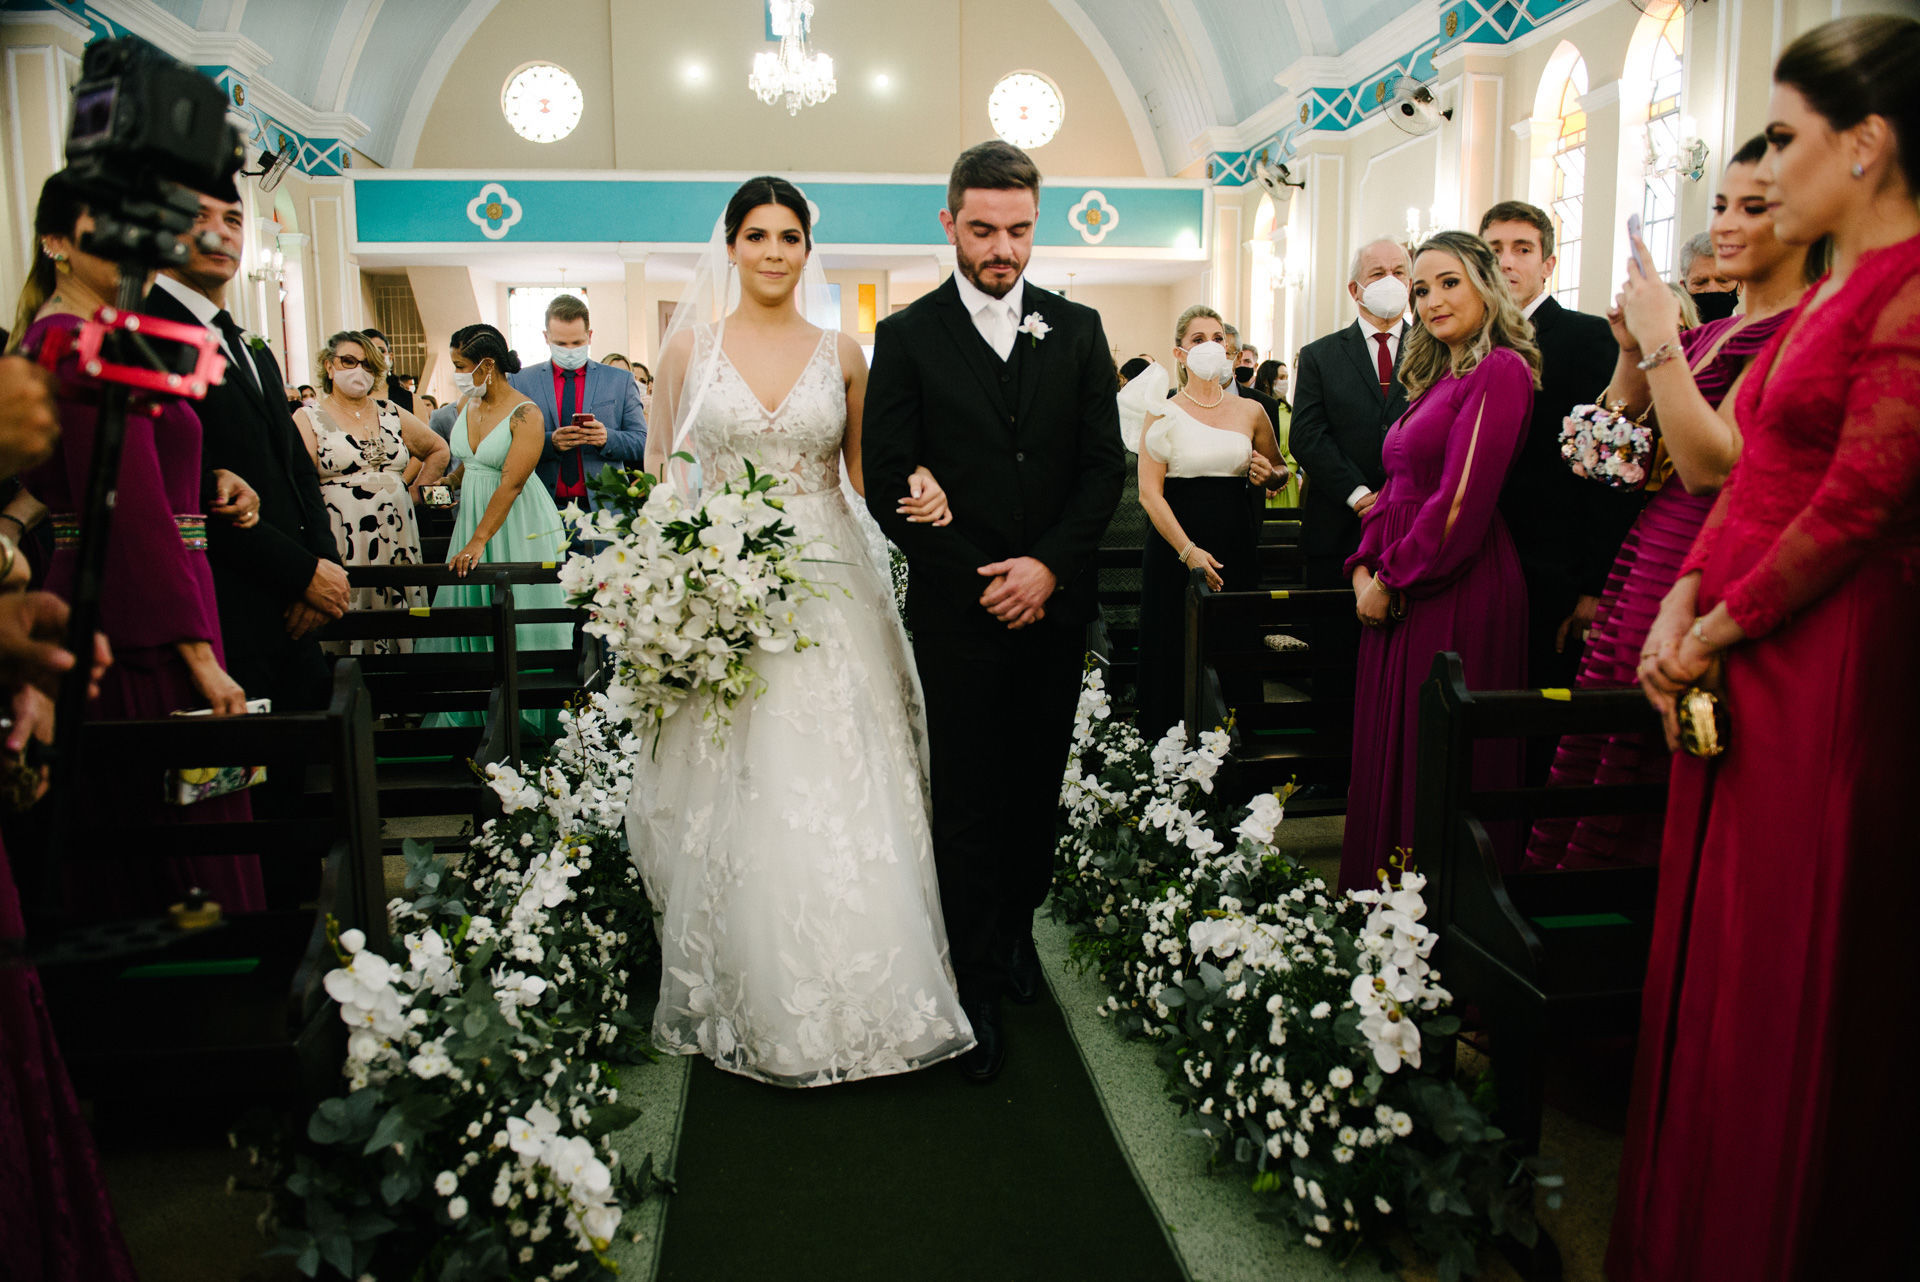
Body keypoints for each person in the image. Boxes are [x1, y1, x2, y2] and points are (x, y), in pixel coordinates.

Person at [1612, 18, 1920, 1281]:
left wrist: (1722, 621)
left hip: (1825, 655)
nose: (1762, 163)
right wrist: (1686, 596)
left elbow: (1860, 499)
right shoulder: (1841, 288)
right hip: (1740, 642)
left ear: (1866, 145)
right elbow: (1745, 485)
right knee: (1723, 946)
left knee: (1792, 958)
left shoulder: (1905, 292)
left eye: (1785, 136)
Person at [625, 176, 972, 1087]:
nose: (775, 252)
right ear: (731, 245)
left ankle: (873, 978)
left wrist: (922, 484)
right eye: (757, 235)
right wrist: (685, 573)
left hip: (829, 581)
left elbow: (866, 473)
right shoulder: (689, 350)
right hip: (729, 588)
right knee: (743, 772)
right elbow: (670, 473)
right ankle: (747, 976)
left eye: (790, 237)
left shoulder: (844, 353)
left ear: (806, 249)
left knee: (844, 771)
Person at [865, 141, 1126, 1083]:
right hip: (958, 613)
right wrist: (983, 576)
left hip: (1052, 609)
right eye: (982, 229)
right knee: (969, 798)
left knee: (1035, 787)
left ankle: (1014, 933)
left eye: (1018, 229)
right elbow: (886, 478)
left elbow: (1105, 468)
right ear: (949, 224)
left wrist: (1048, 569)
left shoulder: (1080, 329)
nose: (1001, 247)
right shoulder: (907, 336)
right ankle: (972, 979)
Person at [1526, 137, 1813, 870]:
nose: (1725, 224)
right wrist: (1631, 352)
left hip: (1703, 558)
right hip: (1645, 556)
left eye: (1754, 208)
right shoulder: (1716, 332)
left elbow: (1711, 468)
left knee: (1659, 768)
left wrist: (1660, 343)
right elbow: (1614, 463)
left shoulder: (1797, 330)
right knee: (1605, 751)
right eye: (1720, 205)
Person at [16, 171, 265, 912]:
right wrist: (196, 655)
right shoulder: (74, 340)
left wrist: (208, 480)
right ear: (56, 242)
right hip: (138, 614)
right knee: (179, 841)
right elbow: (119, 509)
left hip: (161, 587)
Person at [1337, 231, 1537, 892]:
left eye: (1449, 282)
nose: (1431, 299)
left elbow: (1460, 501)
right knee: (1390, 749)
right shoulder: (1438, 377)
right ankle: (1384, 911)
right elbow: (1393, 487)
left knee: (1433, 756)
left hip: (1453, 580)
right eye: (1422, 289)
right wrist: (1365, 564)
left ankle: (1439, 928)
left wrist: (1392, 576)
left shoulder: (1498, 370)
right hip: (1400, 576)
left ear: (1486, 283)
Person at [143, 185, 344, 719]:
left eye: (233, 219)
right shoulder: (149, 337)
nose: (222, 232)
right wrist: (301, 573)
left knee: (307, 780)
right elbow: (182, 487)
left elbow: (297, 469)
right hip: (223, 601)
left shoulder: (250, 345)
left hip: (292, 604)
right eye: (198, 217)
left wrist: (323, 562)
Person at [1479, 201, 1635, 700]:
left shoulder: (1589, 338)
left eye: (1522, 249)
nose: (1506, 262)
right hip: (1474, 564)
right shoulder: (1459, 340)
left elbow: (1609, 472)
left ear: (1548, 265)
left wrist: (1594, 586)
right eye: (1494, 249)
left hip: (1551, 571)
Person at [1121, 306, 1286, 740]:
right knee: (1173, 647)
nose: (1210, 345)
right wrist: (1188, 551)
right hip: (1176, 544)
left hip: (1233, 540)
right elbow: (1149, 493)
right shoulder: (1163, 411)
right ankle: (1168, 758)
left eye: (1217, 337)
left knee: (1233, 645)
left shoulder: (1249, 412)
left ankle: (1237, 757)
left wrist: (1270, 475)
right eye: (1198, 339)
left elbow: (1280, 467)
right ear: (1180, 351)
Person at [1289, 238, 1413, 758]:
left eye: (1399, 271)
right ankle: (1331, 761)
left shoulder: (1437, 346)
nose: (1390, 280)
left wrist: (1399, 494)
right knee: (1335, 653)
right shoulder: (1320, 354)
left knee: (1404, 655)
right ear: (1354, 288)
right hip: (1339, 524)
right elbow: (1308, 435)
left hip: (1411, 523)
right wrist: (1361, 494)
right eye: (1377, 272)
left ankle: (1394, 760)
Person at [419, 325, 573, 717]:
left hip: (515, 522)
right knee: (471, 613)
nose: (457, 374)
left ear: (487, 365)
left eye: (460, 366)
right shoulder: (468, 405)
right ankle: (473, 706)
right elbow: (470, 464)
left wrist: (478, 540)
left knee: (519, 614)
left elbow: (512, 482)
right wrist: (448, 484)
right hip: (472, 517)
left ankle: (529, 713)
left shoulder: (526, 413)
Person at [294, 332, 449, 655]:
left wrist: (414, 492)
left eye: (367, 364)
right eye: (348, 361)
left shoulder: (389, 410)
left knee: (398, 614)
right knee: (350, 613)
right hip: (342, 534)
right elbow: (300, 479)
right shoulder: (309, 416)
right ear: (329, 366)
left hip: (397, 535)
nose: (358, 370)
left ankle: (403, 695)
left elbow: (437, 449)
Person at [508, 295, 647, 515]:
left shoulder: (619, 381)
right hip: (543, 507)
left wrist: (607, 438)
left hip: (605, 508)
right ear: (546, 337)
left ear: (589, 336)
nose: (570, 350)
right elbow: (508, 445)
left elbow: (642, 441)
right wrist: (549, 443)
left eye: (577, 343)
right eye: (561, 344)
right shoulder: (521, 381)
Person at [1251, 358, 1302, 507]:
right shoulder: (1255, 409)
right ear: (1267, 380)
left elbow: (1297, 444)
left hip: (1287, 481)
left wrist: (1285, 475)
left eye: (1286, 377)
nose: (1284, 382)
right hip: (1260, 481)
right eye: (1281, 378)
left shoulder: (1290, 412)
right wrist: (1267, 479)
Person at [1675, 231, 1739, 322]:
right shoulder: (1670, 335)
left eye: (1723, 281)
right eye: (1700, 283)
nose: (1712, 289)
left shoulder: (1758, 334)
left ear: (1740, 285)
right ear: (1683, 289)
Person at [359, 327, 412, 414]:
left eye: (381, 350)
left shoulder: (411, 400)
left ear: (390, 357)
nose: (375, 356)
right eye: (368, 351)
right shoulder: (346, 400)